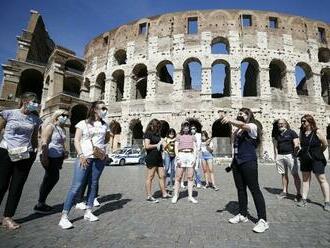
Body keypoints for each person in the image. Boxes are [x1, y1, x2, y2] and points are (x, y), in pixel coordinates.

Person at [59, 101, 111, 229]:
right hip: (84, 158)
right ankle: (64, 217)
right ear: (94, 110)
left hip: (98, 158)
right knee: (76, 186)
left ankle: (88, 211)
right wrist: (81, 155)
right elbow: (76, 140)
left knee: (93, 185)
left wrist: (101, 150)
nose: (105, 110)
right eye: (102, 108)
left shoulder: (105, 125)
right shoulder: (83, 123)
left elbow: (107, 138)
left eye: (106, 108)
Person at [220, 108, 269, 233]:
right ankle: (243, 214)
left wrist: (231, 120)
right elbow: (234, 143)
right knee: (241, 189)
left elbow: (243, 125)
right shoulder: (238, 130)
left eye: (242, 113)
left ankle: (263, 220)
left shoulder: (252, 126)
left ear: (249, 115)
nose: (239, 115)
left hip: (248, 162)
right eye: (239, 113)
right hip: (237, 162)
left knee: (254, 189)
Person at [0, 92, 42, 229]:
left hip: (24, 155)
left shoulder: (35, 119)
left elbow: (35, 137)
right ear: (25, 101)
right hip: (6, 152)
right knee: (1, 185)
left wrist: (35, 151)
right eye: (33, 101)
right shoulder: (9, 113)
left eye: (37, 102)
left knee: (17, 186)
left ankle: (8, 217)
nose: (36, 104)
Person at [34, 109, 70, 214]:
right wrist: (44, 157)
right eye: (63, 115)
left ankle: (41, 203)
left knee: (51, 178)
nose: (66, 117)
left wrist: (65, 152)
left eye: (67, 116)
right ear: (57, 115)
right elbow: (44, 142)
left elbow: (62, 142)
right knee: (51, 177)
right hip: (49, 156)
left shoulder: (62, 129)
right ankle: (40, 204)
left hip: (57, 157)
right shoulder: (50, 126)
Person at [297, 114, 329, 211]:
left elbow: (325, 144)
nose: (302, 123)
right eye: (302, 121)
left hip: (317, 158)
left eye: (304, 121)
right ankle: (304, 199)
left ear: (310, 122)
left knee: (322, 179)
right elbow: (301, 144)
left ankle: (327, 202)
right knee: (305, 179)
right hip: (305, 158)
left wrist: (318, 152)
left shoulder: (317, 131)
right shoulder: (302, 132)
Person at [272, 118, 301, 201]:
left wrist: (294, 153)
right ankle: (285, 191)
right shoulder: (278, 134)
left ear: (286, 124)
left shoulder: (291, 132)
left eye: (282, 123)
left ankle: (298, 193)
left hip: (290, 155)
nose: (280, 125)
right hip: (280, 155)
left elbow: (296, 144)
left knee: (295, 174)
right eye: (279, 123)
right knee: (283, 174)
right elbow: (276, 145)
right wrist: (276, 155)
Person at [144, 119, 171, 203]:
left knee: (162, 176)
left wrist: (164, 145)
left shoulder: (157, 134)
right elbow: (147, 146)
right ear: (152, 125)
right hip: (151, 156)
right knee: (150, 176)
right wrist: (157, 145)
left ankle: (164, 193)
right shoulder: (148, 133)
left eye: (159, 126)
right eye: (157, 126)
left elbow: (161, 146)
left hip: (159, 157)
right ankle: (149, 195)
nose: (158, 127)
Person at [172, 121, 198, 204]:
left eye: (187, 126)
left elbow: (195, 147)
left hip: (190, 155)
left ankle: (190, 196)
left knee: (190, 177)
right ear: (182, 127)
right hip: (181, 155)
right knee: (178, 177)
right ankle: (176, 195)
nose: (186, 127)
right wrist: (178, 157)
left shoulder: (193, 136)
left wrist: (194, 158)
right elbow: (176, 147)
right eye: (184, 126)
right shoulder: (178, 136)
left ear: (189, 127)